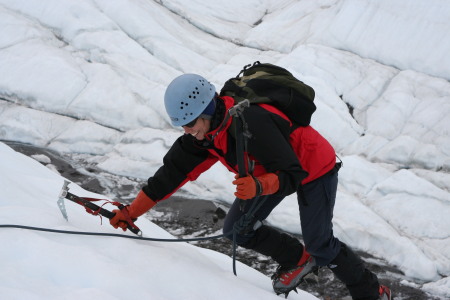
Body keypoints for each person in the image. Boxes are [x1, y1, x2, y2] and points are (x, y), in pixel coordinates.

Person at [110, 73, 391, 300]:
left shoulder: (252, 121)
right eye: (182, 126)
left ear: (207, 110)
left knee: (320, 242)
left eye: (191, 123)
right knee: (235, 229)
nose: (187, 130)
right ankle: (297, 259)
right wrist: (132, 212)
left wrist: (259, 186)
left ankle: (372, 294)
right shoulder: (204, 135)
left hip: (313, 167)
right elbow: (171, 175)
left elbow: (293, 173)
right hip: (268, 174)